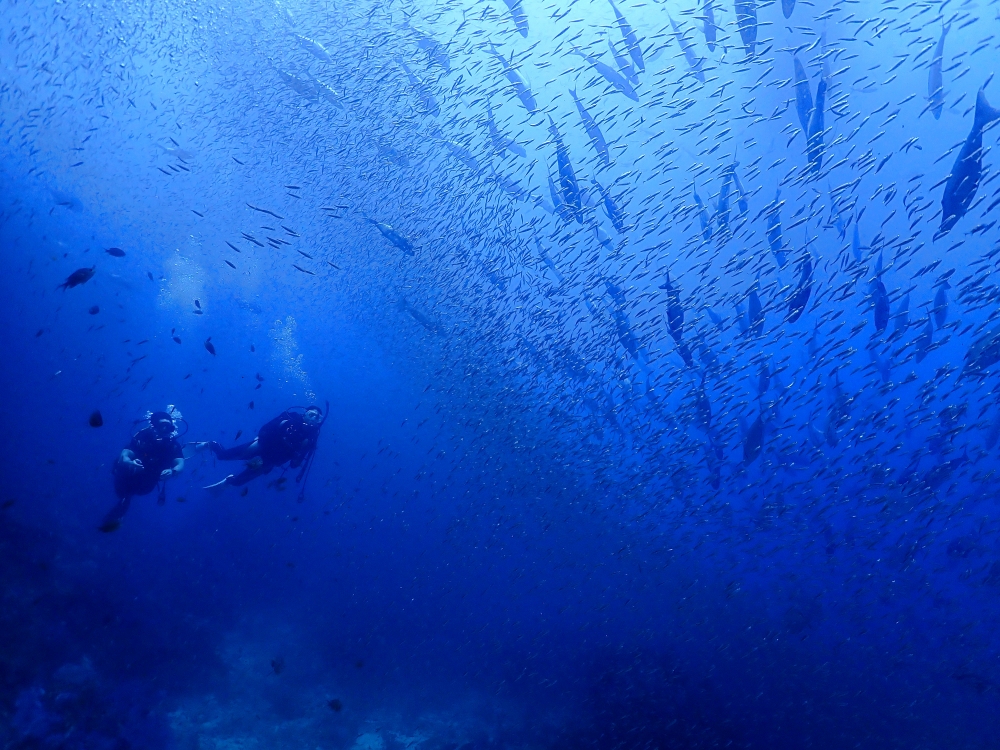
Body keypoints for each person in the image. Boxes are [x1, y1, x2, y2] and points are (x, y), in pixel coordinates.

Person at [200, 405, 324, 492]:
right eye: (311, 414)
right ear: (304, 414)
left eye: (317, 417)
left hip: (272, 460)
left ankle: (229, 480)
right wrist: (261, 440)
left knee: (239, 482)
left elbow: (294, 465)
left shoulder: (311, 440)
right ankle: (211, 444)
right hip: (261, 446)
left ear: (319, 421)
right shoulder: (291, 420)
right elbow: (265, 429)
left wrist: (302, 451)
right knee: (223, 456)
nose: (313, 418)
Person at [100, 408, 185, 532]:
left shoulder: (172, 445)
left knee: (130, 495)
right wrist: (131, 463)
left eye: (169, 426)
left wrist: (173, 472)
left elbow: (180, 463)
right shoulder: (142, 437)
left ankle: (122, 506)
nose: (166, 430)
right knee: (123, 493)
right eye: (163, 426)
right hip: (128, 478)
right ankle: (120, 509)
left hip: (147, 483)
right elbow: (124, 455)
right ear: (154, 426)